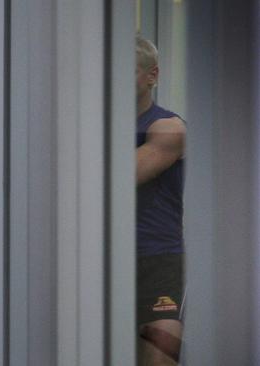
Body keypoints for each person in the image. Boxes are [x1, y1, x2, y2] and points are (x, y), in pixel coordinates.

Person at [135, 35, 187, 366]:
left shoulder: (169, 128)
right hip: (94, 259)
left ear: (152, 75)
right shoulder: (84, 127)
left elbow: (115, 179)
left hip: (156, 262)